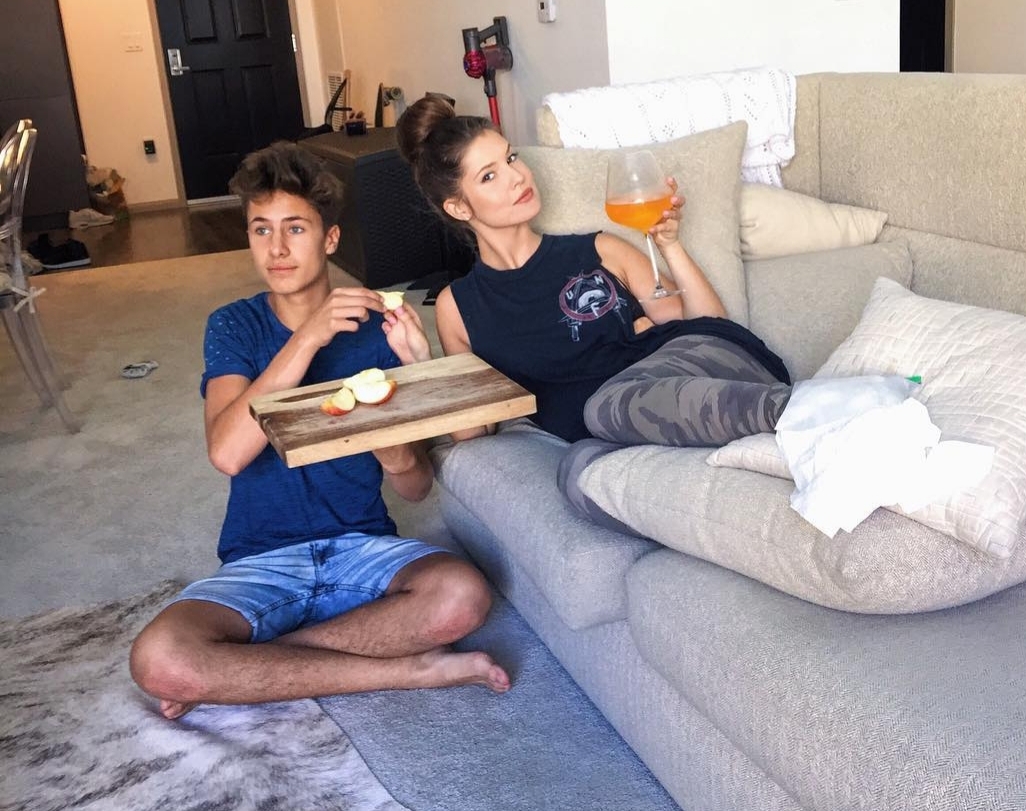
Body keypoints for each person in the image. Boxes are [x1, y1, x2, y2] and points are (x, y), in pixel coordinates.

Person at [130, 142, 509, 720]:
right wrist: (307, 337)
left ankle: (252, 666)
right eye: (261, 230)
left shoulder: (378, 328)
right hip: (260, 562)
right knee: (158, 658)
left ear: (330, 239)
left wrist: (402, 435)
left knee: (462, 595)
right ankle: (408, 670)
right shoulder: (234, 325)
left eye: (296, 229)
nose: (277, 249)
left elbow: (415, 489)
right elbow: (228, 453)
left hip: (363, 549)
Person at [395, 96, 792, 459]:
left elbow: (709, 326)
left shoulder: (599, 250)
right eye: (489, 176)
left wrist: (669, 245)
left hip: (709, 369)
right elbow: (473, 433)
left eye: (512, 158)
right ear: (459, 208)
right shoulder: (458, 306)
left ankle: (799, 412)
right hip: (617, 435)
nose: (517, 176)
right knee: (578, 470)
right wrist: (420, 364)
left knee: (601, 409)